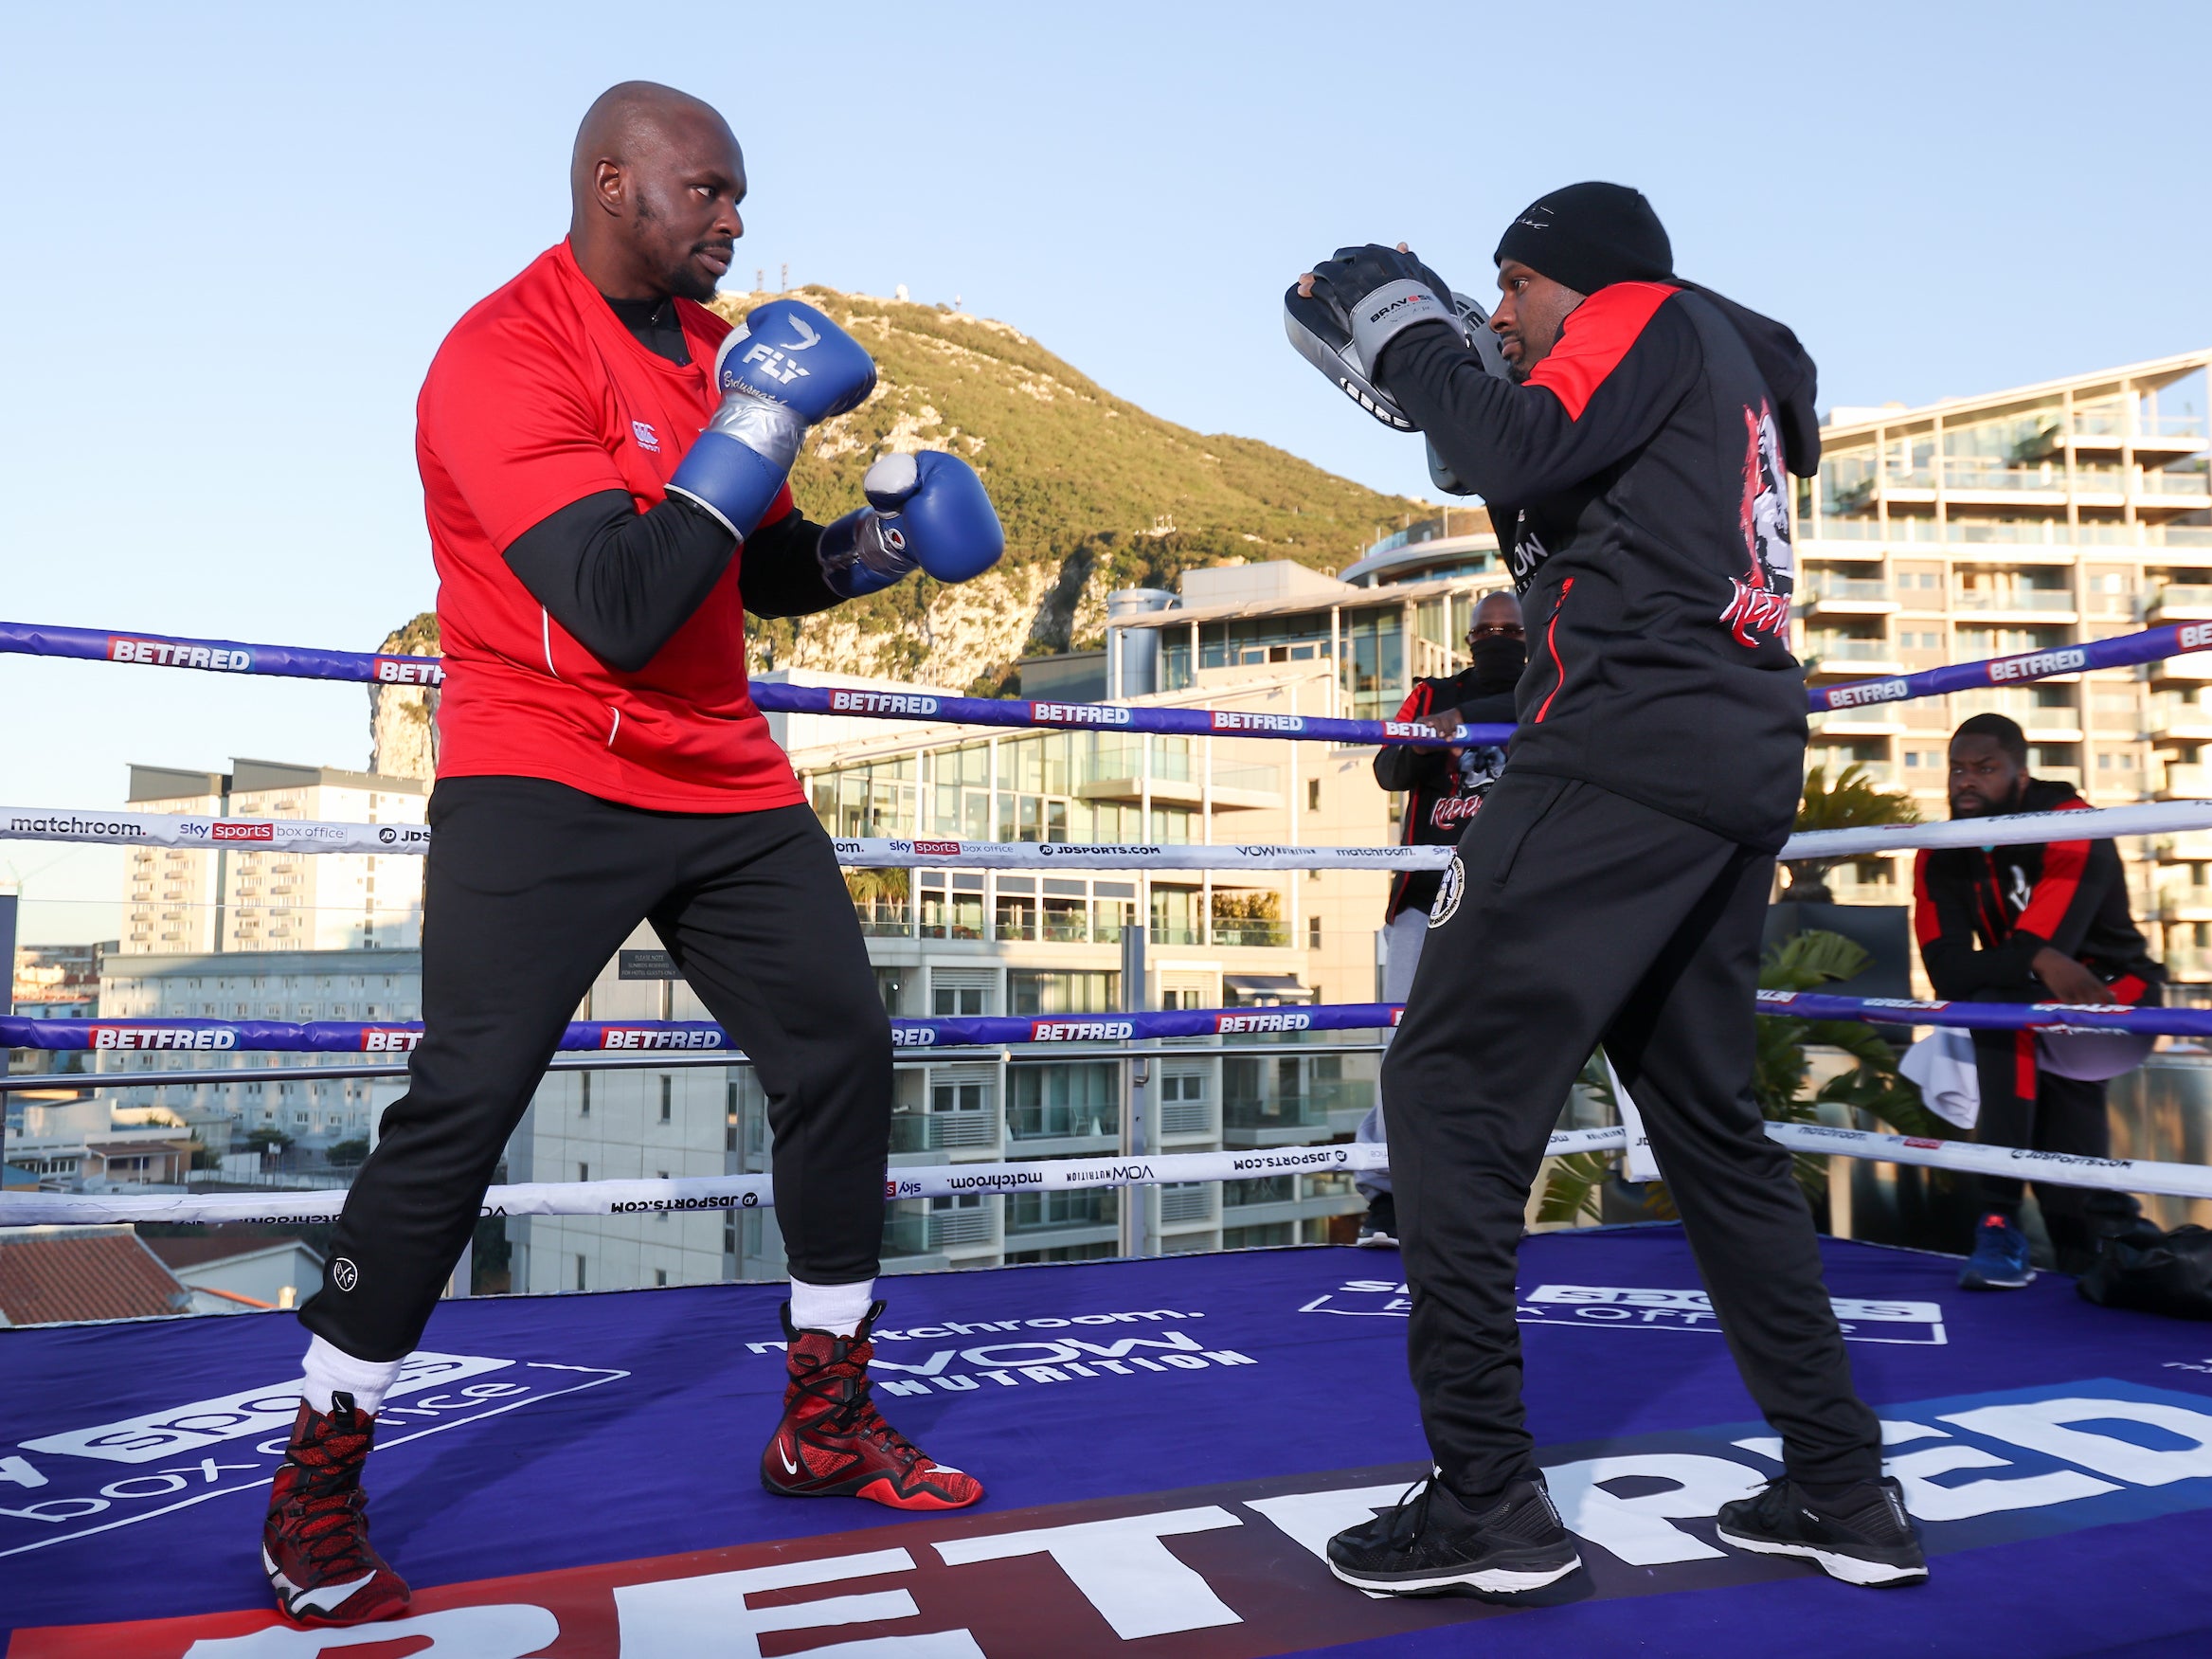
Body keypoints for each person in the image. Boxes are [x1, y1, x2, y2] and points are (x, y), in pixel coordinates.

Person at [258, 83, 1003, 1630]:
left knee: (841, 1049)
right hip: (544, 777)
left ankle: (824, 1414)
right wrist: (763, 422)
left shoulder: (719, 357)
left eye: (739, 199)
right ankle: (317, 1471)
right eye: (709, 195)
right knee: (462, 1109)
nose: (734, 223)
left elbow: (757, 565)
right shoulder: (499, 357)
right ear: (615, 184)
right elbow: (614, 598)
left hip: (719, 776)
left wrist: (882, 545)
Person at [1297, 183, 1926, 1596]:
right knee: (1707, 1124)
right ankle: (1837, 1485)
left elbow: (1495, 436)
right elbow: (1563, 492)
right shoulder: (1719, 376)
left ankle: (1485, 1500)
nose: (1502, 320)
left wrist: (1407, 336)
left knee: (1444, 1092)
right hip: (1729, 756)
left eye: (1506, 293)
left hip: (1623, 756)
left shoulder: (1640, 314)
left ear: (1549, 278)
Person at [1915, 712, 2162, 1289]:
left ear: (2019, 777)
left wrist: (2036, 955)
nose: (1966, 781)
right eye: (1956, 770)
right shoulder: (1940, 849)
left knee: (2002, 1005)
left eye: (1985, 768)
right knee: (2053, 1109)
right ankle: (2100, 1251)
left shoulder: (2071, 824)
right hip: (2028, 1009)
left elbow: (2052, 944)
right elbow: (1946, 975)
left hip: (2114, 998)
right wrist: (2036, 958)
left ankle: (1998, 1220)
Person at [1355, 590, 1524, 1247]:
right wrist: (1437, 730)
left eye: (1510, 628)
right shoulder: (1427, 694)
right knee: (1407, 1047)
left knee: (1505, 1052)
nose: (1498, 637)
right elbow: (1388, 768)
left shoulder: (1554, 688)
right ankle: (1388, 1202)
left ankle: (1484, 1201)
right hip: (1426, 896)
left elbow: (1544, 712)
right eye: (1486, 629)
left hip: (1517, 895)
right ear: (1468, 637)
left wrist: (1463, 718)